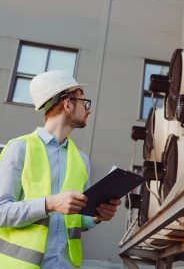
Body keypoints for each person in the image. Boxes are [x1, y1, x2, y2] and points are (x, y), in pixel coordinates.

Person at [0, 70, 121, 268]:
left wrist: (97, 216)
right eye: (84, 102)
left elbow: (74, 220)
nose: (88, 109)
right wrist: (50, 204)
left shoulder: (81, 160)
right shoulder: (19, 148)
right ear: (67, 103)